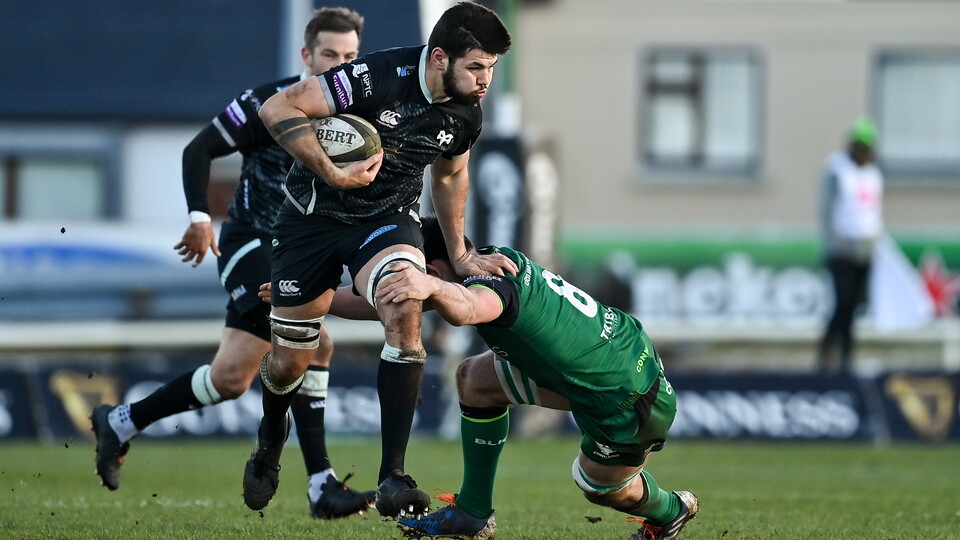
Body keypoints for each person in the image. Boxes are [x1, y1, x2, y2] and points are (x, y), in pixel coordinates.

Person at [89, 7, 375, 519]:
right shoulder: (268, 103)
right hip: (249, 241)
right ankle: (320, 486)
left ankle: (122, 421)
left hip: (301, 251)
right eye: (330, 54)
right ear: (306, 55)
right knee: (313, 338)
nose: (339, 65)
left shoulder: (361, 117)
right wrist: (200, 217)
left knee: (229, 379)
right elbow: (199, 150)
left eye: (350, 56)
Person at [246, 1, 516, 519]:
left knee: (404, 303)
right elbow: (277, 108)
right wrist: (332, 171)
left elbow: (450, 175)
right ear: (439, 58)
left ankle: (393, 474)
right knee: (287, 364)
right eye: (476, 67)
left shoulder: (466, 113)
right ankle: (268, 442)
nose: (485, 81)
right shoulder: (375, 76)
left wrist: (459, 255)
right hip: (310, 219)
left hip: (386, 220)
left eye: (491, 69)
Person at [367, 216, 699, 540]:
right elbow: (382, 299)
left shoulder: (485, 290)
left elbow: (467, 308)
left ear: (433, 271)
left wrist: (429, 284)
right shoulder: (494, 261)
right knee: (476, 380)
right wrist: (316, 303)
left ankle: (671, 509)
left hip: (630, 401)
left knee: (597, 487)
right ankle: (473, 512)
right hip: (621, 357)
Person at [816, 116, 884, 374]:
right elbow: (828, 211)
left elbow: (872, 212)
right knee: (842, 303)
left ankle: (847, 357)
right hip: (841, 250)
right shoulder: (837, 170)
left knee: (854, 307)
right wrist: (836, 244)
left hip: (864, 250)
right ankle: (826, 354)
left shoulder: (873, 174)